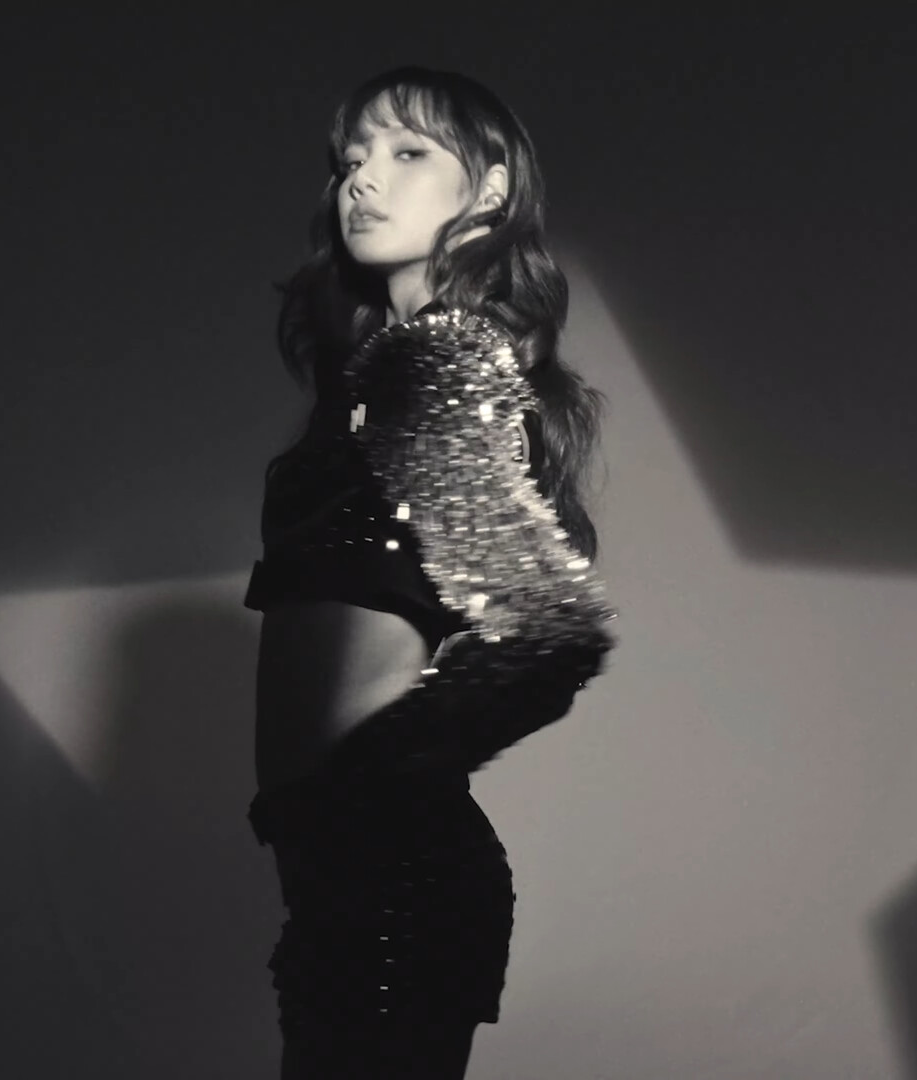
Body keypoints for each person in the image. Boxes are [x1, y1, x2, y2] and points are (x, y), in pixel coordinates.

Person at [243, 65, 618, 1079]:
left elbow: (547, 635)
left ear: (489, 190)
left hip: (390, 883)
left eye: (409, 152)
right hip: (339, 886)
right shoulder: (386, 371)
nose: (363, 180)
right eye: (351, 159)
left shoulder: (438, 361)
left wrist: (355, 785)